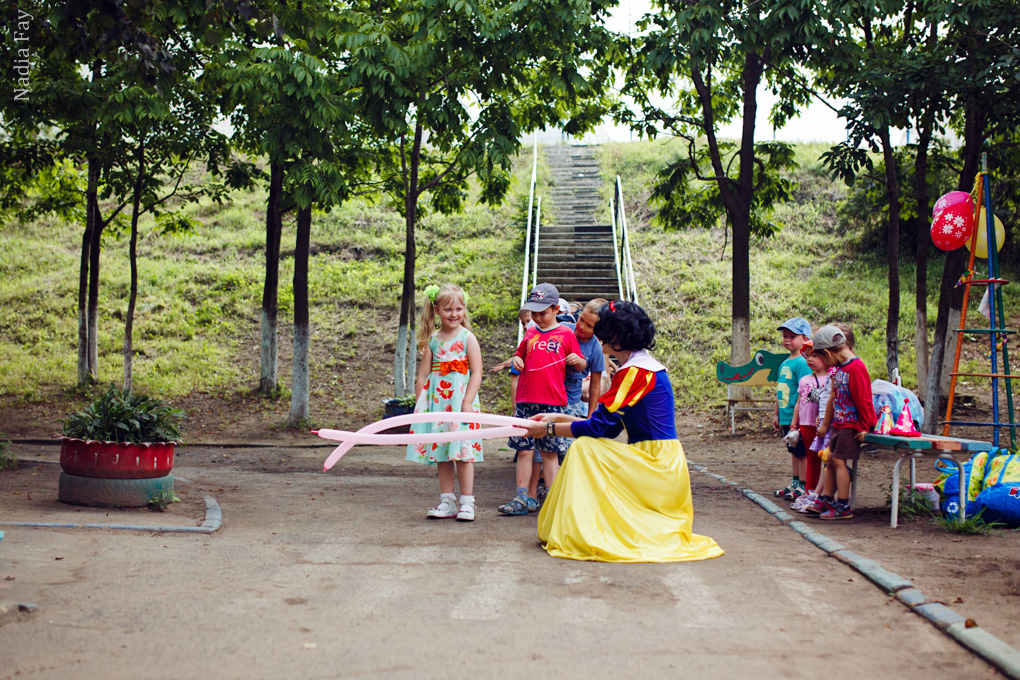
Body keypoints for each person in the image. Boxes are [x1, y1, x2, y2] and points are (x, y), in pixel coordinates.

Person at [527, 300, 724, 562]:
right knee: (587, 447)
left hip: (656, 465)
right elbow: (604, 423)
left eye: (602, 330)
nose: (597, 336)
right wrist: (556, 417)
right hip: (658, 461)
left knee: (585, 449)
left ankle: (581, 529)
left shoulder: (635, 372)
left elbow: (599, 429)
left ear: (616, 336)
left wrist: (548, 429)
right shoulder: (641, 368)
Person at [498, 283, 584, 516]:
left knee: (549, 451)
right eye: (534, 313)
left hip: (553, 402)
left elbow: (583, 365)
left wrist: (576, 359)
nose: (537, 318)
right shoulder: (530, 332)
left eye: (542, 313)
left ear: (556, 309)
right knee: (524, 450)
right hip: (526, 400)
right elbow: (520, 354)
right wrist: (516, 359)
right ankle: (522, 497)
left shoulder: (566, 333)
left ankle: (554, 500)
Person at [406, 284, 483, 522]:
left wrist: (468, 401)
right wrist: (421, 407)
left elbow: (477, 373)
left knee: (463, 451)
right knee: (442, 451)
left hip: (461, 402)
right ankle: (447, 500)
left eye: (459, 309)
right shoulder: (433, 340)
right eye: (448, 309)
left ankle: (467, 503)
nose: (454, 314)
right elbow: (422, 376)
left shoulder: (467, 338)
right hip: (438, 404)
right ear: (437, 309)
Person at [804, 324, 876, 520]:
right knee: (829, 459)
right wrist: (826, 425)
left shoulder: (856, 368)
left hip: (851, 426)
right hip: (838, 424)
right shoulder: (840, 369)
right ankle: (827, 499)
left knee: (838, 461)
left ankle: (843, 505)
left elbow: (864, 400)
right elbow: (833, 399)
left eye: (821, 357)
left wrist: (864, 427)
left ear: (827, 352)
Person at [773, 317, 813, 501]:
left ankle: (804, 485)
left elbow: (805, 391)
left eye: (792, 336)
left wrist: (797, 420)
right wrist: (776, 413)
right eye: (785, 336)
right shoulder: (784, 363)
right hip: (786, 415)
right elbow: (780, 389)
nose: (787, 340)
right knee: (793, 450)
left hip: (798, 417)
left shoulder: (803, 363)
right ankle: (795, 482)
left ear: (805, 339)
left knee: (801, 451)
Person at [787, 340, 826, 505]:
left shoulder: (830, 379)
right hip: (806, 424)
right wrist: (793, 425)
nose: (810, 359)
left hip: (823, 426)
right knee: (810, 458)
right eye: (808, 355)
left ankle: (822, 493)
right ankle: (809, 491)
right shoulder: (804, 380)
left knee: (823, 458)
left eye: (815, 355)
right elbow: (798, 403)